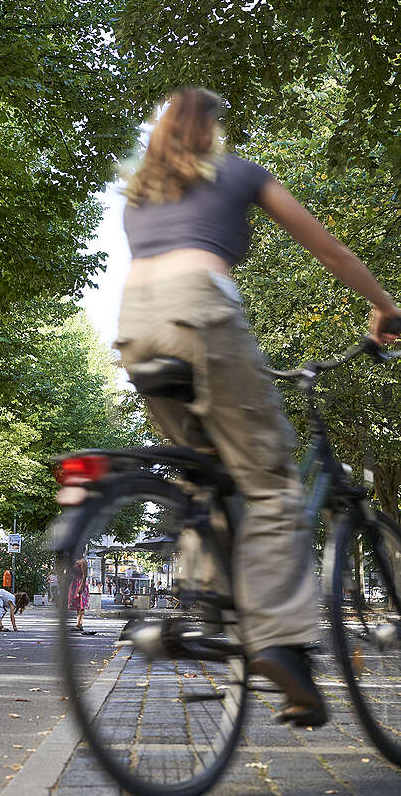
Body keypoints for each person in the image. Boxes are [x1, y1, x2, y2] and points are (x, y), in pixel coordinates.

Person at [117, 86, 401, 727]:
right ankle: (276, 643)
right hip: (203, 312)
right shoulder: (238, 173)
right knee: (271, 481)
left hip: (136, 329)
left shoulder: (141, 195)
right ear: (209, 130)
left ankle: (208, 603)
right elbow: (327, 247)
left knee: (204, 473)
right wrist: (384, 307)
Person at [68, 556, 89, 632]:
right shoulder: (76, 561)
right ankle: (78, 624)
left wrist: (81, 586)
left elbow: (84, 575)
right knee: (77, 605)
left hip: (80, 584)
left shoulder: (83, 561)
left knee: (81, 605)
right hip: (74, 584)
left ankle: (80, 624)